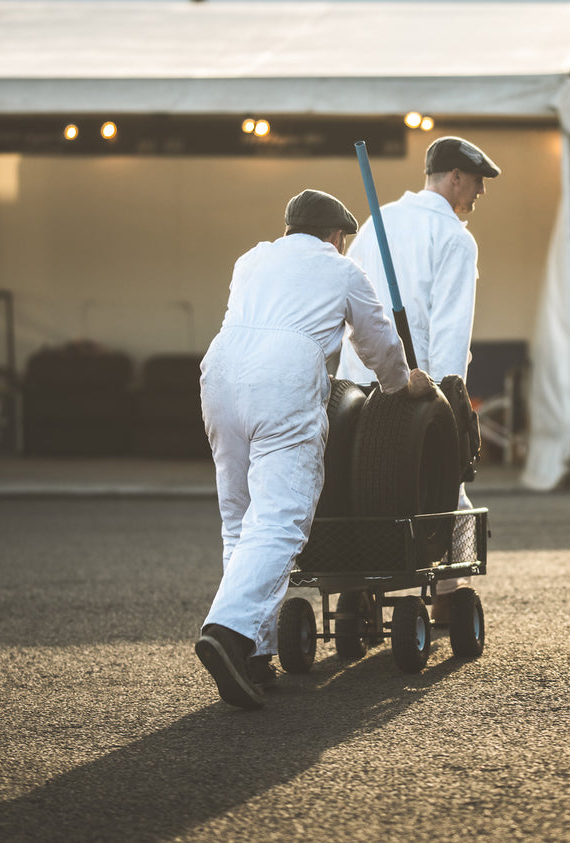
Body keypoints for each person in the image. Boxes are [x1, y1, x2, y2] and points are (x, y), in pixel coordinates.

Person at [196, 189, 435, 709]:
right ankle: (229, 631)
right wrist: (401, 383)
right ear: (337, 236)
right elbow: (377, 340)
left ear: (289, 229)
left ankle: (255, 654)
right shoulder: (342, 269)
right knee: (281, 518)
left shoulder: (251, 259)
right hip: (282, 378)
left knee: (240, 518)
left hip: (220, 374)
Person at [336, 135, 500, 611]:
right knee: (440, 486)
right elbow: (451, 328)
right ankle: (448, 593)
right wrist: (450, 403)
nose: (481, 191)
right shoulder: (455, 238)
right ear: (455, 177)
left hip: (357, 384)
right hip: (418, 386)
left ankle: (356, 594)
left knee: (358, 483)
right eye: (477, 181)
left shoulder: (377, 222)